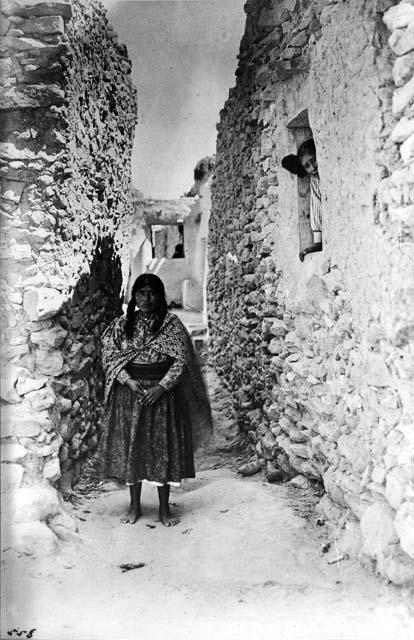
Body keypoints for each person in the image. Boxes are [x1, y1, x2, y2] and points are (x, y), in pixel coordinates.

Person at [100, 273, 213, 527]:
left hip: (162, 397)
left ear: (160, 296)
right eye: (141, 293)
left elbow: (182, 359)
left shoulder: (171, 325)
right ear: (134, 296)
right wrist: (127, 380)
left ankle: (164, 509)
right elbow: (109, 354)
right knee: (133, 447)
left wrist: (162, 387)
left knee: (162, 448)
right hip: (130, 394)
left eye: (152, 293)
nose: (147, 299)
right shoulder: (122, 324)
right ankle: (134, 506)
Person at [282, 138, 322, 262]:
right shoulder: (315, 181)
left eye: (313, 160)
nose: (312, 167)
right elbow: (316, 208)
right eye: (307, 166)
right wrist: (318, 242)